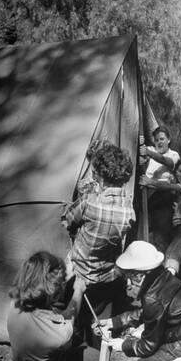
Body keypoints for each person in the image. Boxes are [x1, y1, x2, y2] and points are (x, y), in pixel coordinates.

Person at [7, 251, 131, 361]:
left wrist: (67, 269)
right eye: (58, 288)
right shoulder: (52, 335)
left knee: (95, 357)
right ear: (49, 291)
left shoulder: (19, 299)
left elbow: (49, 281)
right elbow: (68, 319)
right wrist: (77, 290)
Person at [63, 143, 136, 345]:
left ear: (100, 177)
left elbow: (67, 219)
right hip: (107, 277)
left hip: (80, 276)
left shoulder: (89, 203)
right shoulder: (129, 209)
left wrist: (83, 197)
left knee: (75, 327)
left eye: (95, 173)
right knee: (98, 328)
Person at [140, 158, 181, 276]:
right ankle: (167, 280)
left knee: (173, 255)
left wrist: (150, 182)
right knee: (168, 253)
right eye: (179, 171)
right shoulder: (177, 185)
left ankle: (167, 284)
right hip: (180, 226)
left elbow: (172, 187)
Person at [140, 126, 180, 252]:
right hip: (146, 198)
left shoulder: (173, 155)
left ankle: (163, 267)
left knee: (161, 237)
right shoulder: (151, 150)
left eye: (162, 139)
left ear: (168, 140)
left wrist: (149, 153)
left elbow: (167, 162)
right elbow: (140, 154)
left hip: (163, 199)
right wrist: (140, 144)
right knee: (142, 235)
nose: (159, 142)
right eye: (156, 140)